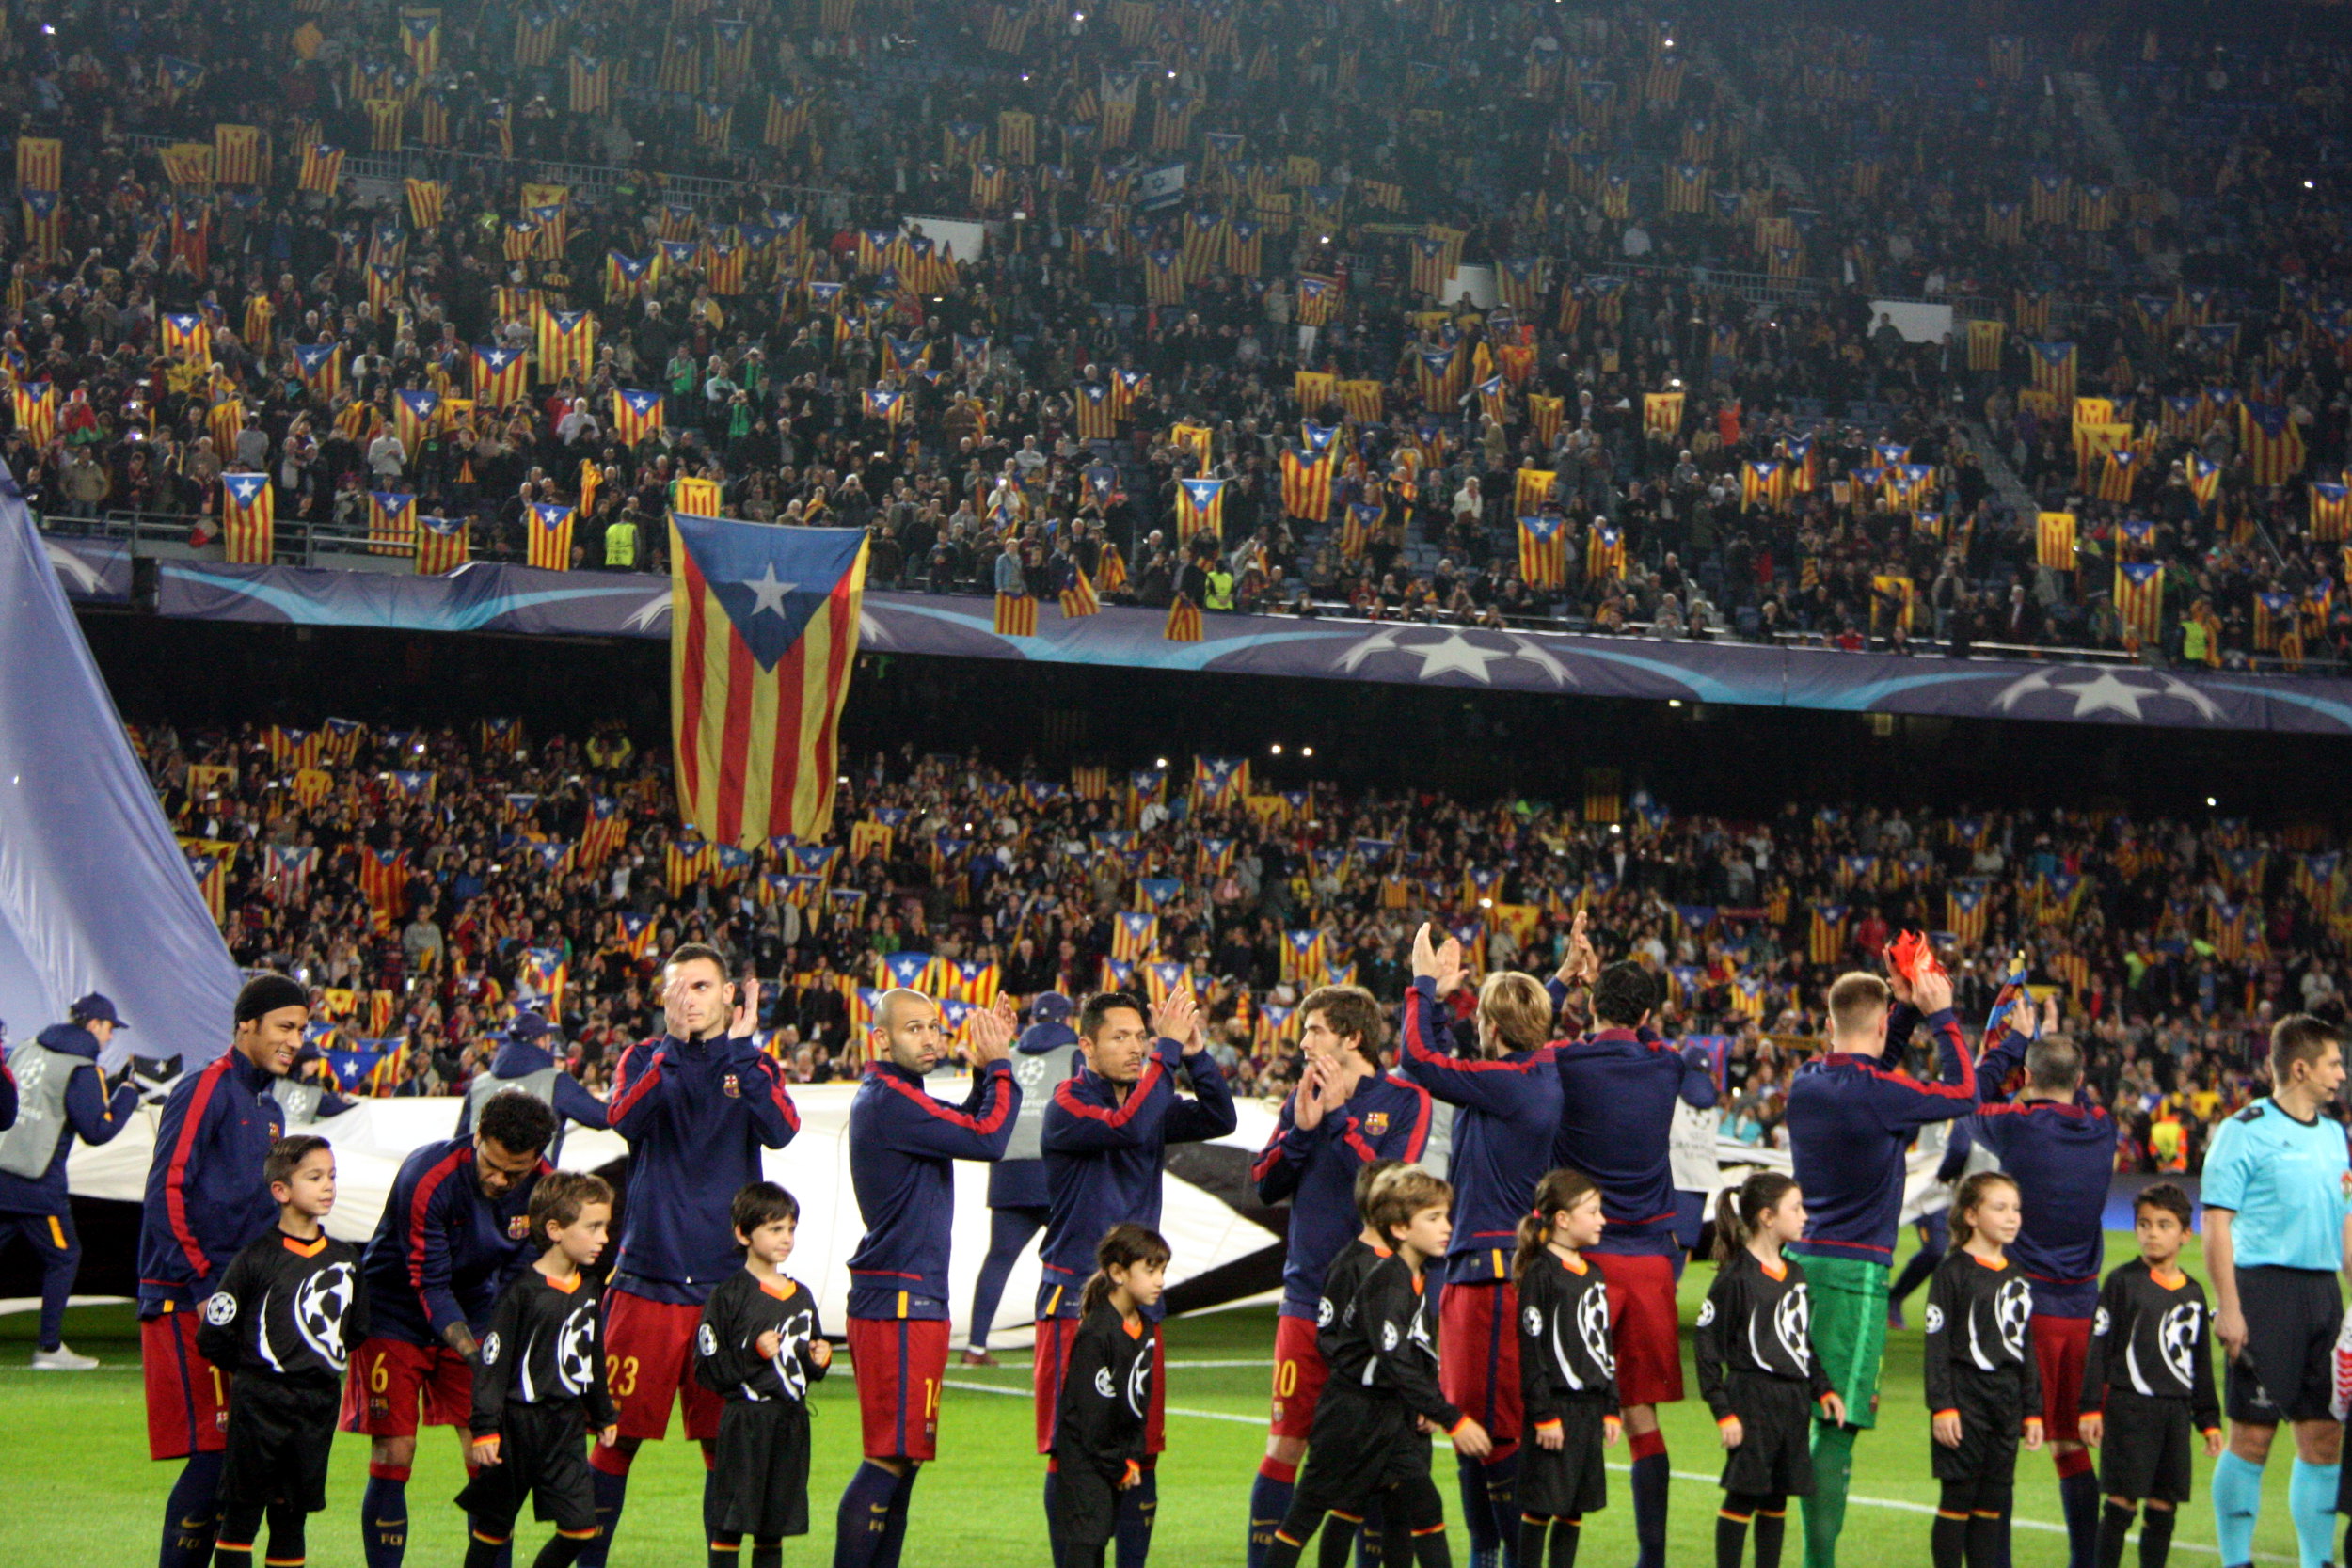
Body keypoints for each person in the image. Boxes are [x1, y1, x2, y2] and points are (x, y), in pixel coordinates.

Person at [588, 943, 799, 1568]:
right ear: (663, 997)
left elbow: (781, 1129)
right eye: (679, 986)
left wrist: (736, 1051)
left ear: (729, 996)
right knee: (615, 1437)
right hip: (645, 1280)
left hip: (726, 1292)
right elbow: (623, 1119)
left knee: (724, 1444)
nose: (690, 996)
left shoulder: (752, 1064)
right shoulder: (643, 1058)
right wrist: (675, 1050)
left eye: (704, 985)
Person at [1784, 963, 1977, 1568]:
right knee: (1834, 1428)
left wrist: (1905, 1009)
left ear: (1828, 1022)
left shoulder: (1806, 1080)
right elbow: (1964, 1094)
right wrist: (1940, 1015)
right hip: (1855, 1276)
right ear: (1882, 1024)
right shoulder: (1883, 1095)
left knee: (1791, 1414)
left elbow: (1870, 1061)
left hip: (1800, 1264)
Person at [1037, 986, 1236, 1568]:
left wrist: (1195, 1054)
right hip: (1077, 1299)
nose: (1134, 1048)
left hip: (1140, 1306)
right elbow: (1127, 1126)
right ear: (1086, 1046)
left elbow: (1219, 1116)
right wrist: (1167, 1052)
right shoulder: (1069, 1103)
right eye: (1119, 1037)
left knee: (1142, 1449)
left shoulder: (1146, 1098)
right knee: (1074, 1451)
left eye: (1140, 1036)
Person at [1549, 915, 1719, 1568]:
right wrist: (1640, 1024)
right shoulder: (1668, 1063)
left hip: (1578, 1258)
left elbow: (1519, 1035)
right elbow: (1702, 1088)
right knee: (1644, 1415)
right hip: (1649, 1257)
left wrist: (1576, 988)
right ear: (1649, 1012)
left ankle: (1557, 1552)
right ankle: (1652, 1557)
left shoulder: (1564, 1061)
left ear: (1590, 1006)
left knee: (1566, 1409)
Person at [1246, 982, 1433, 1568]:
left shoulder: (1405, 1101)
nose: (1303, 1043)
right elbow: (1265, 1184)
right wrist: (1301, 1130)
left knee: (1382, 1451)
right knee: (1285, 1445)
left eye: (1315, 1030)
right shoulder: (1304, 1094)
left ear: (1352, 1037)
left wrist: (1335, 1119)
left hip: (1380, 1310)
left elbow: (1389, 1192)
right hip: (1307, 1302)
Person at [834, 988, 1019, 1568]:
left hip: (910, 1295)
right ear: (881, 1038)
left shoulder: (901, 1097)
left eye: (935, 1027)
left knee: (905, 1458)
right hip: (899, 1299)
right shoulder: (890, 1100)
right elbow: (988, 1137)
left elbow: (965, 1122)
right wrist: (1002, 1067)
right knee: (888, 1457)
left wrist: (984, 1071)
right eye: (914, 1028)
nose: (931, 1037)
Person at [1397, 921, 1563, 1567]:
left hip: (1494, 1279)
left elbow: (1421, 1060)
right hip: (1479, 1269)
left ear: (1494, 1031)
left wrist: (1421, 987)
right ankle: (1487, 1554)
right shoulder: (1522, 1074)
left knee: (1491, 1430)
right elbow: (1449, 1059)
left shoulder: (1512, 1084)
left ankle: (1505, 1556)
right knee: (1471, 1426)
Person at [342, 1088, 561, 1568]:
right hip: (392, 1310)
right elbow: (430, 1283)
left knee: (488, 1450)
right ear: (477, 1135)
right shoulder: (427, 1176)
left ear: (538, 1159)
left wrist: (504, 1343)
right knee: (395, 1448)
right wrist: (483, 1356)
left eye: (516, 1171)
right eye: (493, 1164)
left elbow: (521, 1277)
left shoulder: (546, 1187)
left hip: (478, 1307)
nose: (501, 1179)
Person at [138, 972, 309, 1568]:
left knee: (245, 1453)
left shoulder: (269, 1107)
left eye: (302, 1030)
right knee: (214, 1453)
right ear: (246, 1025)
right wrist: (209, 1287)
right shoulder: (205, 1087)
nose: (295, 1040)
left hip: (236, 1303)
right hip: (186, 1296)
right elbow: (167, 1192)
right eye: (284, 1027)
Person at [1263, 1163, 1488, 1568]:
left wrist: (1421, 1400)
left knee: (1420, 1506)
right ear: (1400, 1228)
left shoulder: (1412, 1274)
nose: (1446, 1227)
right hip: (1352, 1415)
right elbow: (1391, 1357)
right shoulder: (1382, 1278)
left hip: (1393, 1412)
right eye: (1434, 1218)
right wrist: (1451, 1416)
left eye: (1446, 1217)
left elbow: (1410, 1353)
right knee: (1310, 1512)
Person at [1968, 995, 2117, 1568]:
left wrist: (2009, 1043)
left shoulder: (2019, 1128)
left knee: (2003, 1447)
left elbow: (1973, 1096)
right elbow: (2069, 1092)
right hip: (2083, 1311)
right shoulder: (2103, 1128)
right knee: (2071, 1445)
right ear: (2081, 1079)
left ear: (2028, 1078)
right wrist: (2043, 1049)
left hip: (2024, 1313)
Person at [2198, 1014, 2350, 1568]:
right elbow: (2216, 1224)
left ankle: (2317, 1562)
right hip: (2262, 1294)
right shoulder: (2245, 1129)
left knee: (2323, 1439)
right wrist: (2231, 1308)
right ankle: (2236, 1561)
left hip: (2322, 1298)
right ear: (2301, 1066)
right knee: (2253, 1438)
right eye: (2335, 1063)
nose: (2341, 1074)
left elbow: (2346, 1221)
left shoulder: (2336, 1135)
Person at [194, 1134, 366, 1568]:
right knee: (242, 1516)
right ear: (281, 1191)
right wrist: (259, 1371)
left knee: (292, 1519)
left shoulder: (346, 1260)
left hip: (317, 1406)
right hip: (259, 1405)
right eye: (314, 1177)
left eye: (331, 1176)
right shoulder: (254, 1259)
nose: (328, 1185)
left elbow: (356, 1331)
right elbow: (212, 1336)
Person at [454, 1169, 618, 1568]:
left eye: (606, 1227)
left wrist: (603, 1411)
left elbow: (591, 1354)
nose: (604, 1238)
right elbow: (493, 1365)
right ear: (555, 1229)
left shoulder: (589, 1287)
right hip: (517, 1426)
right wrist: (485, 1428)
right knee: (493, 1530)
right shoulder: (521, 1292)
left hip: (565, 1426)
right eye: (593, 1227)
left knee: (580, 1528)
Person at [1697, 1172, 1844, 1568]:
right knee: (1744, 1495)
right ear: (1766, 1216)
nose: (1804, 1216)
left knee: (1777, 1496)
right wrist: (1723, 1411)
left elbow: (1800, 1342)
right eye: (1795, 1208)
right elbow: (1707, 1346)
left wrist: (1823, 1389)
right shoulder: (1735, 1278)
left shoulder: (1795, 1274)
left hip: (1792, 1402)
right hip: (1752, 1400)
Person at [2076, 1181, 2221, 1568]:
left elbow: (2199, 1362)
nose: (2152, 1233)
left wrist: (2208, 1420)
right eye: (2144, 1224)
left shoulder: (2192, 1293)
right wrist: (2091, 1407)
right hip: (2130, 1410)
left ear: (2185, 1235)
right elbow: (2099, 1348)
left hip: (2174, 1412)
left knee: (2163, 1507)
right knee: (2122, 1505)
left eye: (2163, 1224)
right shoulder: (2123, 1282)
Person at [0, 991, 141, 1367]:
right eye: (109, 1028)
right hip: (37, 1183)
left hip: (2, 1170)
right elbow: (97, 1129)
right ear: (94, 1025)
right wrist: (129, 1091)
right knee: (65, 1257)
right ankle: (49, 1348)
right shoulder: (81, 1066)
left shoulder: (31, 1046)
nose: (110, 1037)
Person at [696, 1182, 833, 1568]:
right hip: (745, 1423)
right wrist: (753, 1354)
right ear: (743, 1233)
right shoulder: (728, 1295)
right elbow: (707, 1369)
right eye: (775, 1229)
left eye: (790, 1229)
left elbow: (805, 1361)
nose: (786, 1239)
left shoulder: (801, 1295)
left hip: (790, 1422)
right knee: (731, 1521)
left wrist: (817, 1361)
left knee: (774, 1526)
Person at [1923, 1171, 2043, 1568]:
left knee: (1993, 1504)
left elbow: (2024, 1345)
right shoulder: (1952, 1271)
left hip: (2005, 1401)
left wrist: (2032, 1409)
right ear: (1972, 1215)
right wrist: (1942, 1405)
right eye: (2000, 1208)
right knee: (1958, 1499)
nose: (2012, 1217)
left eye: (2016, 1209)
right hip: (1964, 1397)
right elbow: (1937, 1344)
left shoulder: (2017, 1273)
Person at [1514, 1169, 1623, 1568]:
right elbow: (1532, 1351)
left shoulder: (1593, 1274)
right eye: (1593, 1212)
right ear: (1562, 1219)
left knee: (1573, 1506)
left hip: (1590, 1410)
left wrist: (1611, 1404)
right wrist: (1542, 1415)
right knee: (1542, 1505)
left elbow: (1603, 1345)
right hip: (1555, 1411)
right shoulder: (1541, 1275)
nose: (1602, 1220)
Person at [965, 992, 1081, 1367]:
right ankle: (1063, 1340)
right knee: (1069, 1260)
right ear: (1067, 1020)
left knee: (998, 1259)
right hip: (1057, 1171)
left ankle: (976, 1347)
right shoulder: (1075, 1055)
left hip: (1008, 1170)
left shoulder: (1009, 1056)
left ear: (1032, 1020)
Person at [1052, 1225, 1171, 1568]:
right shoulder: (1096, 1334)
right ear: (1118, 1273)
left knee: (1099, 1538)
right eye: (1150, 1271)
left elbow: (1136, 1402)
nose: (1160, 1281)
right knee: (1087, 1545)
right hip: (1087, 1465)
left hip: (1114, 1460)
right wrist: (1118, 1464)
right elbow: (1092, 1416)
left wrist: (1132, 1455)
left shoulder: (1144, 1328)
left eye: (1162, 1271)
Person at [453, 1011, 610, 1162]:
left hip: (480, 1184)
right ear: (541, 1041)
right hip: (533, 1184)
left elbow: (459, 1145)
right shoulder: (556, 1081)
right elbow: (602, 1117)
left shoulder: (479, 1084)